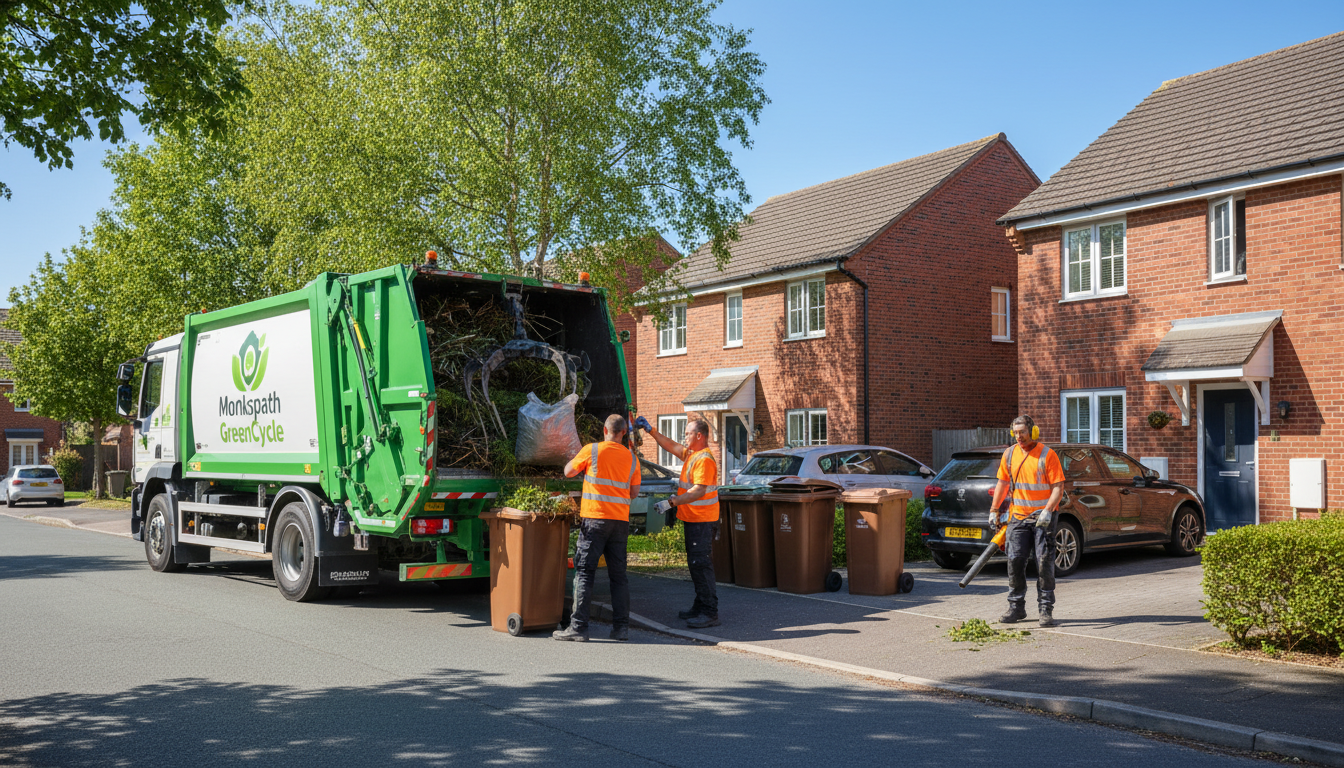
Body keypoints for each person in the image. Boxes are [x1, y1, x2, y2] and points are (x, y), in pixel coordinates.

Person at [553, 414, 640, 642]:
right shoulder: (632, 459)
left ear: (604, 430)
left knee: (584, 572)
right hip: (620, 523)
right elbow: (633, 493)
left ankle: (579, 628)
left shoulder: (592, 451)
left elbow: (568, 471)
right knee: (619, 577)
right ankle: (621, 629)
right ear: (623, 433)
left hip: (595, 520)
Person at [637, 416, 721, 629]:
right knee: (695, 565)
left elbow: (699, 491)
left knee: (700, 565)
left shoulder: (704, 460)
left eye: (688, 433)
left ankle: (710, 612)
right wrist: (651, 431)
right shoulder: (693, 455)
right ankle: (700, 605)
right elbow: (671, 446)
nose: (684, 437)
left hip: (702, 521)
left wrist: (673, 502)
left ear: (699, 436)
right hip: (694, 520)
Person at [988, 415, 1065, 628]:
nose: (1018, 436)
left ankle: (1045, 610)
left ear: (1033, 431)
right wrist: (995, 509)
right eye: (1015, 432)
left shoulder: (1047, 455)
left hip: (1043, 518)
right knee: (1014, 561)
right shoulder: (1010, 454)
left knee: (1044, 563)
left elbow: (1058, 487)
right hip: (1018, 518)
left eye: (1022, 432)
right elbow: (1003, 483)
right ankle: (1016, 607)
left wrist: (1048, 511)